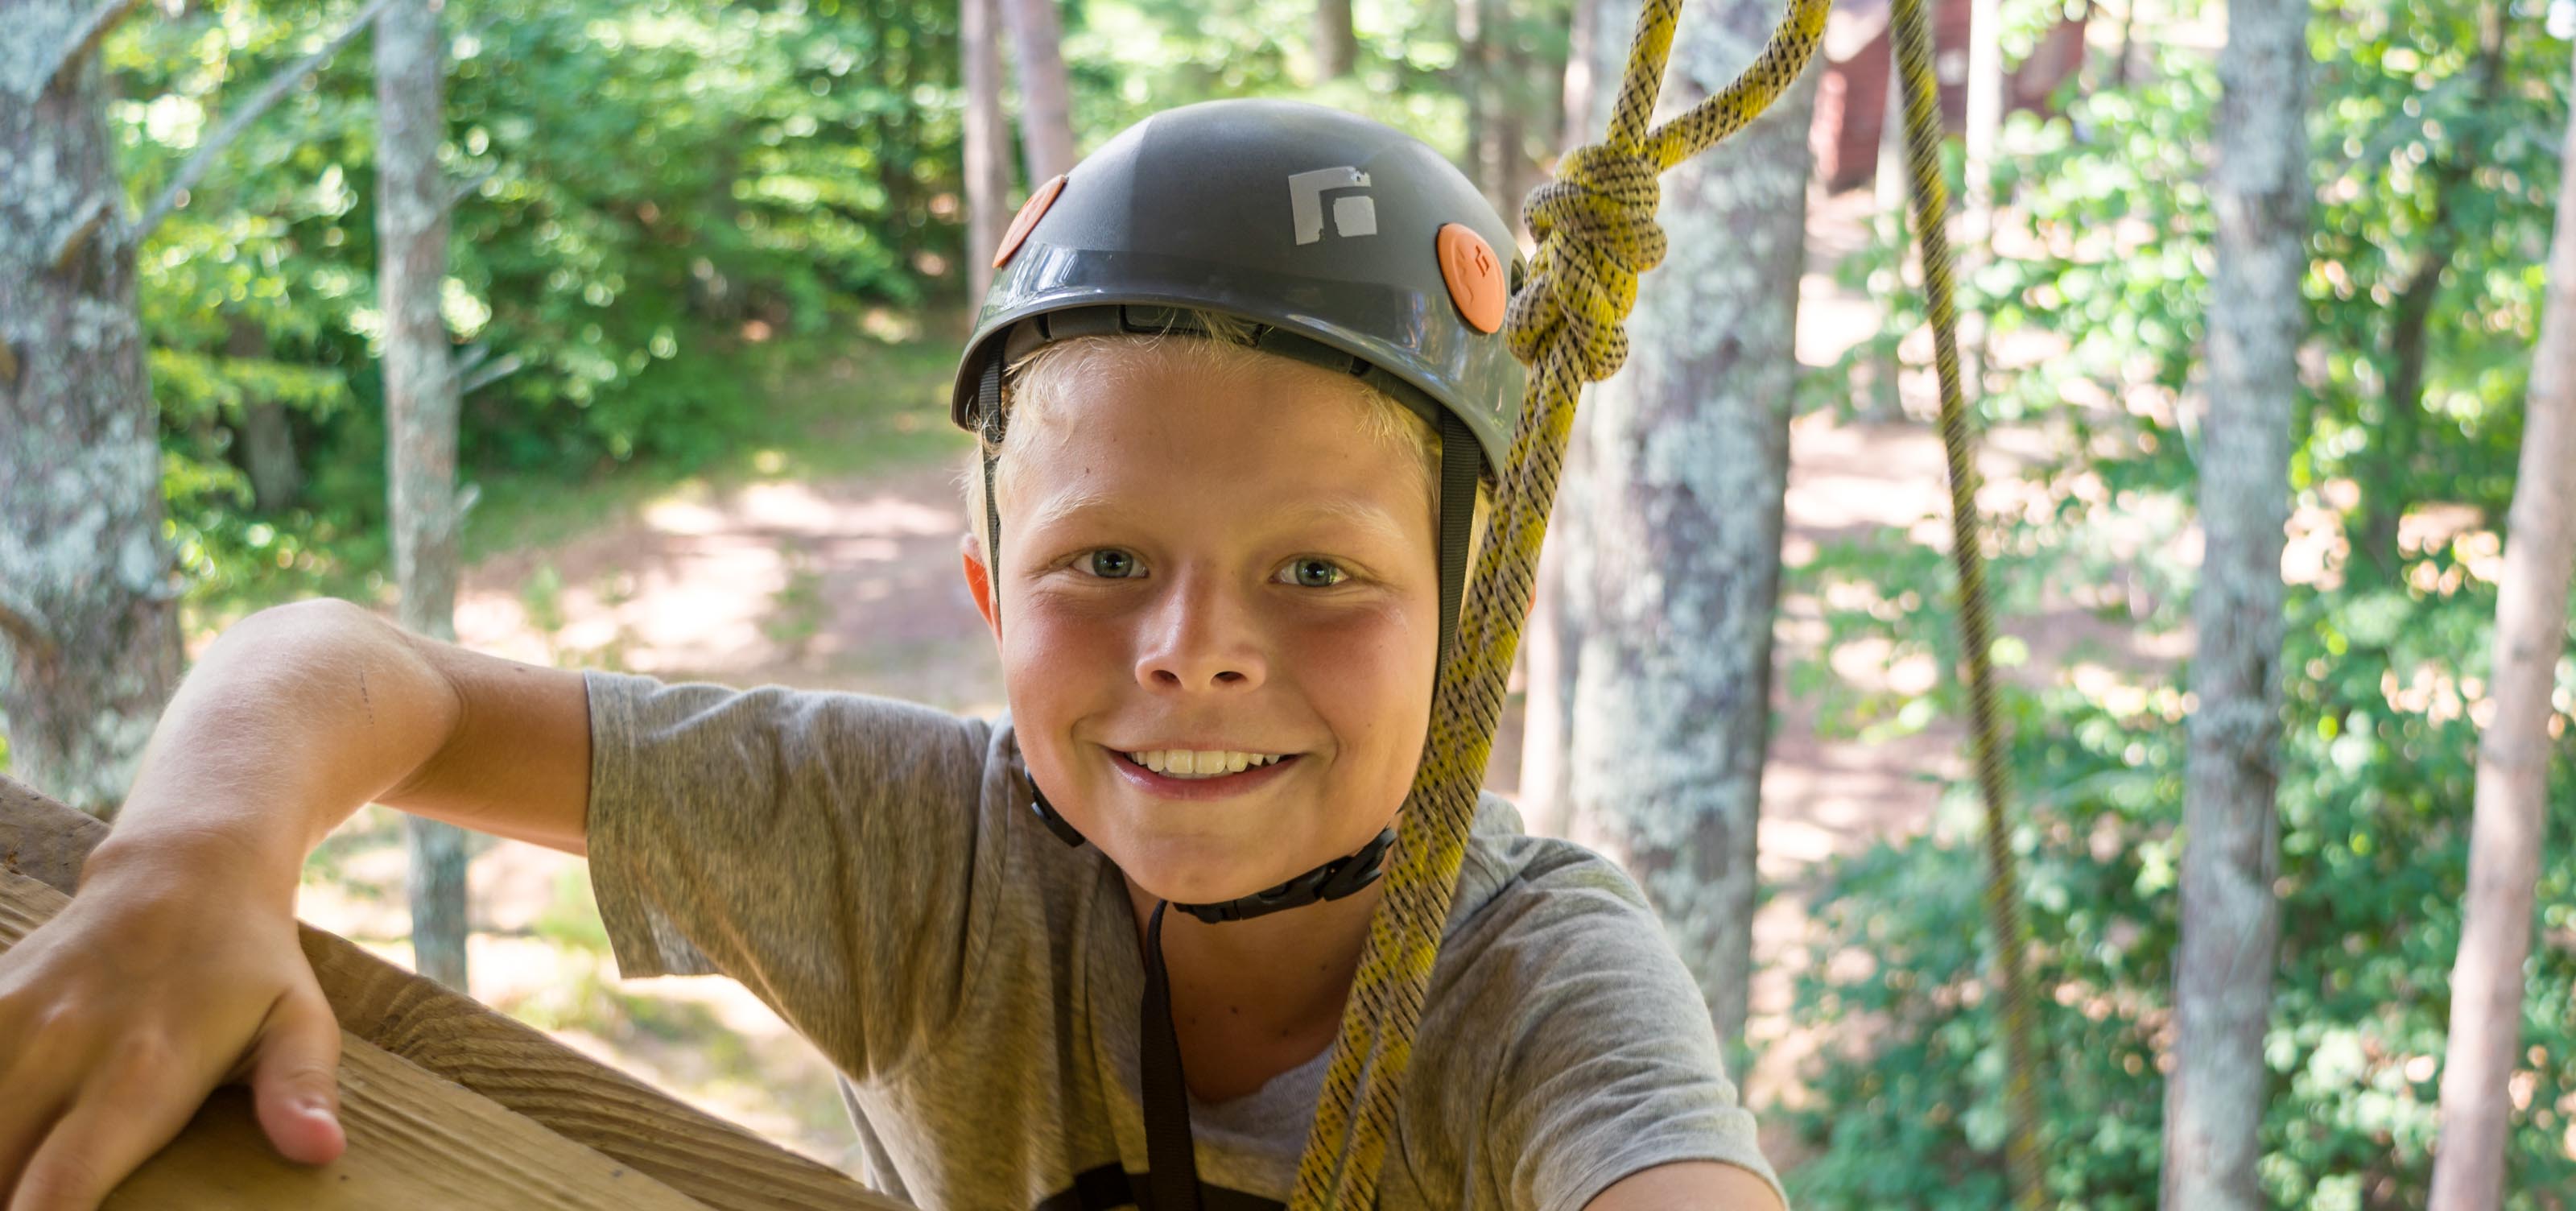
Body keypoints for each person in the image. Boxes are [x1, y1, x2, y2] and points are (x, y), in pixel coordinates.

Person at [0, 99, 1783, 1210]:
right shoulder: (926, 853)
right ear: (992, 597)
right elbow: (354, 665)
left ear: (1475, 640)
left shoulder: (1534, 981)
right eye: (1104, 561)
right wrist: (194, 854)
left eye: (1318, 569)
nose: (1193, 655)